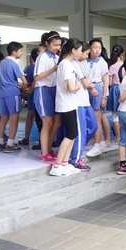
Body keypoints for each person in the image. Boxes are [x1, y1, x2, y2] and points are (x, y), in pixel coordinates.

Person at [49, 38, 83, 176]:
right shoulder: (66, 65)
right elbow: (71, 87)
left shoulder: (66, 64)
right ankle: (57, 165)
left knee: (73, 134)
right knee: (70, 134)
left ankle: (64, 163)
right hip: (66, 104)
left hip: (68, 103)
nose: (81, 53)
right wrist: (78, 85)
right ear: (74, 50)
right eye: (80, 50)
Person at [33, 31, 63, 163]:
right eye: (54, 45)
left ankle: (49, 149)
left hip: (54, 90)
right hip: (43, 90)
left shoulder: (56, 57)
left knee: (55, 122)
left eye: (59, 45)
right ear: (47, 44)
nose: (57, 47)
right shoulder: (42, 57)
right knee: (47, 122)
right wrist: (53, 69)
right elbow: (37, 77)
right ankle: (44, 152)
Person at [69, 42, 97, 171]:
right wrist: (92, 86)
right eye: (84, 52)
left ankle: (74, 150)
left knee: (92, 126)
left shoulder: (80, 64)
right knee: (80, 132)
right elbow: (85, 83)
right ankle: (75, 159)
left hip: (85, 101)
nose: (85, 55)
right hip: (78, 103)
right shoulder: (73, 64)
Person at [0, 41, 28, 153]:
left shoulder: (1, 63)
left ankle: (0, 143)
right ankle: (10, 144)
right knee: (14, 118)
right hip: (12, 92)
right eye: (20, 51)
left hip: (1, 93)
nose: (22, 53)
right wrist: (25, 90)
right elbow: (24, 81)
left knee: (4, 117)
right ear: (14, 52)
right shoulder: (14, 63)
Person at [84, 39, 111, 157]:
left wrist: (104, 96)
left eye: (99, 48)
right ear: (89, 48)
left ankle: (97, 145)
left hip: (98, 88)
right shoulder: (85, 60)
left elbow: (106, 80)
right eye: (95, 47)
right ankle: (93, 140)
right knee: (88, 117)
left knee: (97, 117)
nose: (97, 50)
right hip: (86, 88)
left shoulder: (102, 62)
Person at [106, 44, 124, 147]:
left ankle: (118, 137)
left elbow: (109, 83)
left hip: (114, 89)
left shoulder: (112, 66)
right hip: (124, 89)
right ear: (122, 54)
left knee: (115, 116)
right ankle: (125, 137)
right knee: (124, 114)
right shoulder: (125, 65)